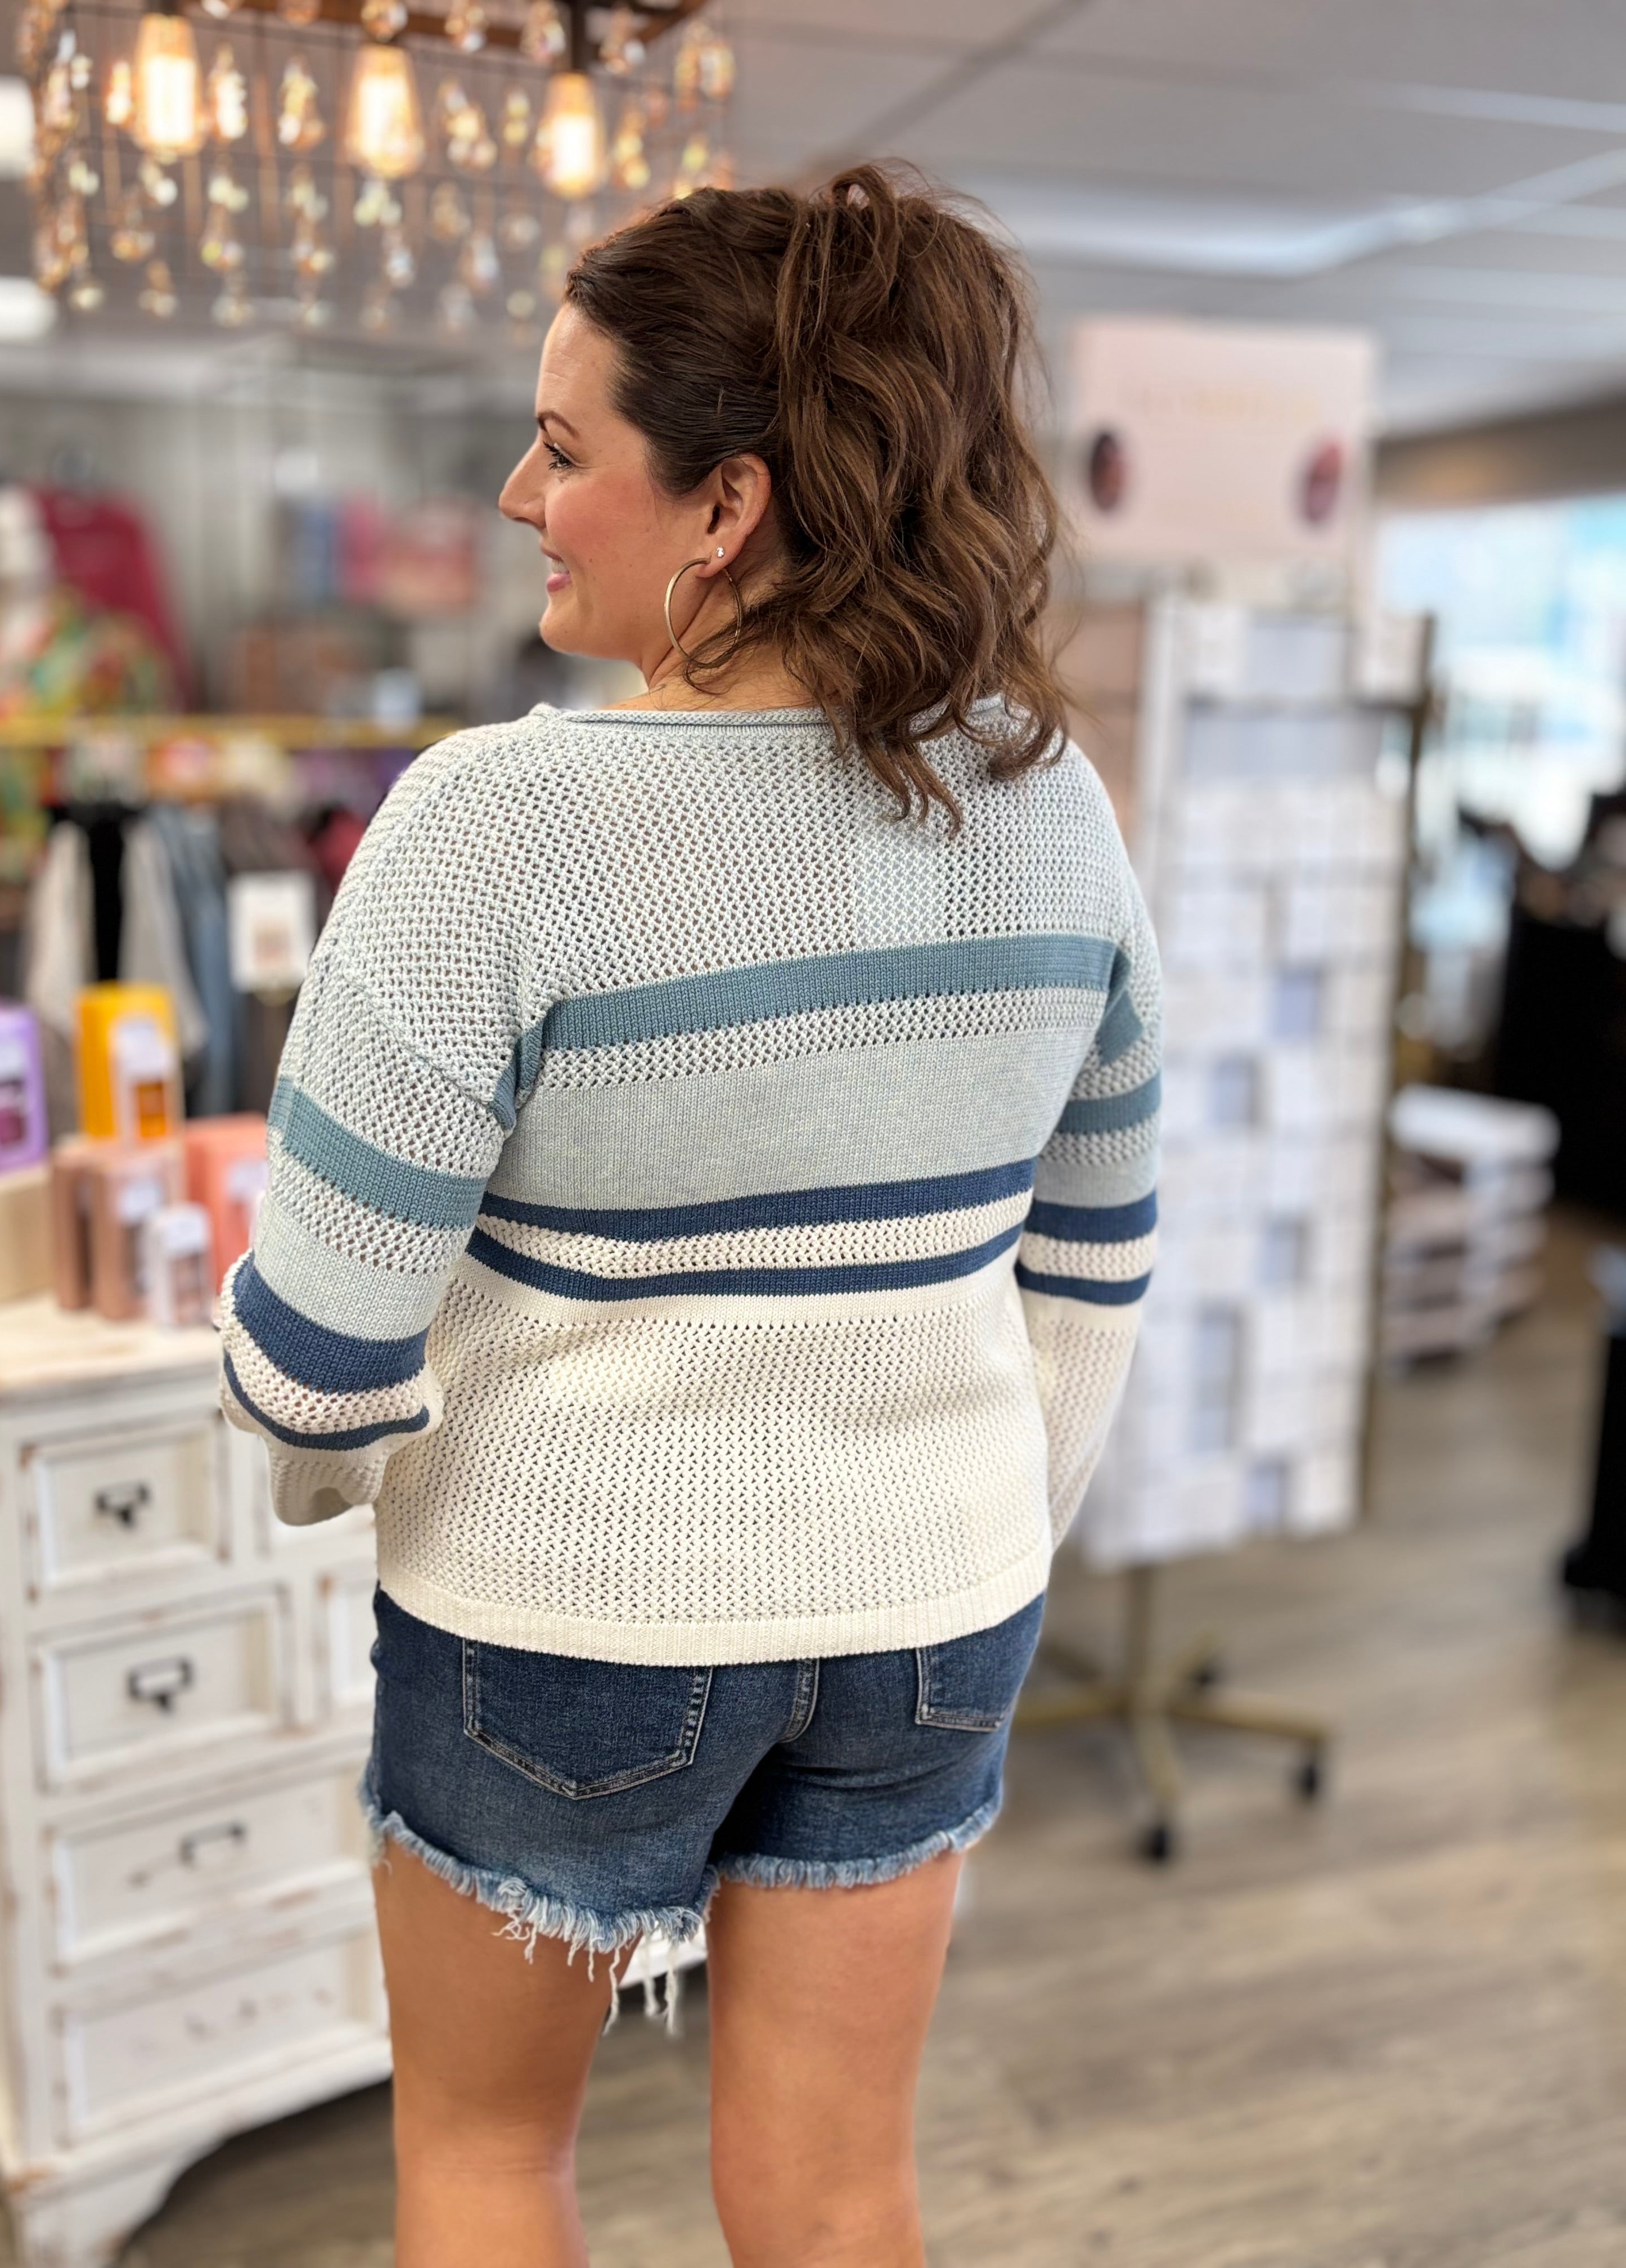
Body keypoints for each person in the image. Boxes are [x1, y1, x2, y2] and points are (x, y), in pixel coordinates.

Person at [219, 164, 1161, 2268]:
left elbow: (318, 1371)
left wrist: (318, 1477)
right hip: (935, 1612)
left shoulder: (494, 828)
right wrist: (972, 1514)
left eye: (564, 449)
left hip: (564, 1612)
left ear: (724, 504)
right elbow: (1097, 1259)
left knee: (490, 2162)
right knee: (838, 2200)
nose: (518, 494)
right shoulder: (1052, 803)